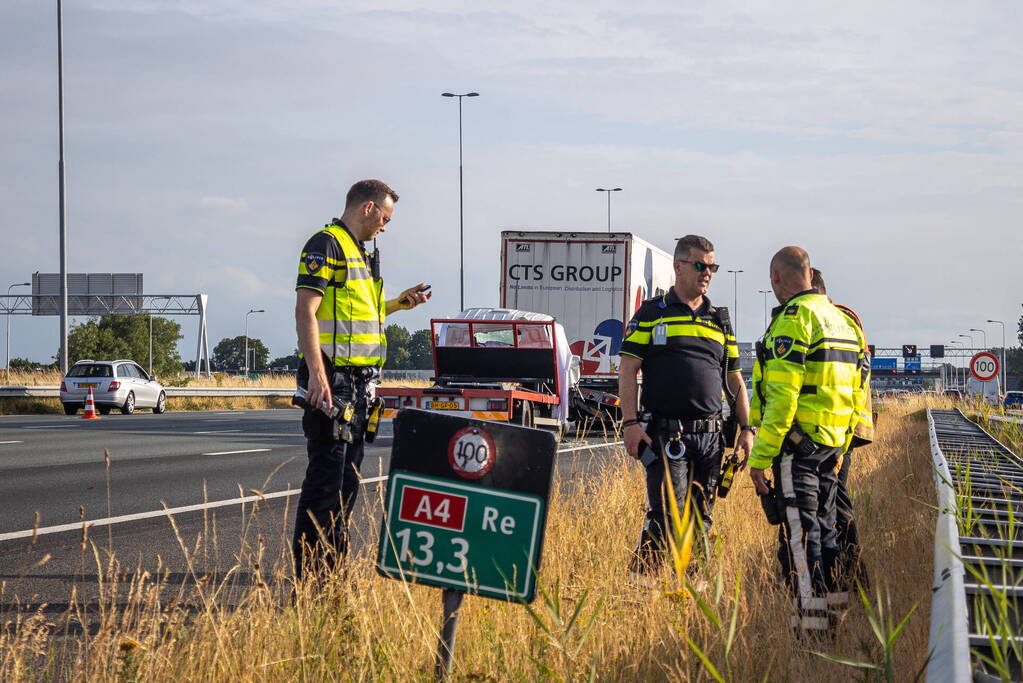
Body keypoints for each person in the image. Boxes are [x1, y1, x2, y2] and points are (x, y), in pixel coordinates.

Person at [292, 179, 431, 579]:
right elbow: (306, 311)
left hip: (358, 386)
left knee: (346, 485)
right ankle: (312, 582)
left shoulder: (360, 254)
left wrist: (399, 304)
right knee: (325, 483)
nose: (385, 227)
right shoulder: (327, 244)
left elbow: (361, 317)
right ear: (368, 208)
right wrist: (317, 374)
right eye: (385, 218)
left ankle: (333, 575)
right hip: (332, 381)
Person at [619, 234, 754, 580]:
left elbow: (735, 380)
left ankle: (697, 589)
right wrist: (630, 423)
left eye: (712, 266)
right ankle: (641, 586)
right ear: (678, 267)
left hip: (710, 439)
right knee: (666, 514)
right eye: (699, 265)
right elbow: (628, 368)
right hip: (667, 434)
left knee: (701, 518)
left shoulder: (719, 320)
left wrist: (746, 430)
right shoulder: (652, 313)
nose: (707, 272)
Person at [747, 248, 867, 636]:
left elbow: (781, 400)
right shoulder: (843, 321)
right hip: (832, 447)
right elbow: (856, 394)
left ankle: (812, 632)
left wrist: (759, 459)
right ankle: (834, 615)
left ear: (777, 278)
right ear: (811, 273)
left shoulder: (794, 321)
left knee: (801, 538)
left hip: (797, 451)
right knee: (827, 531)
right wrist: (842, 445)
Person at [810, 267, 873, 600]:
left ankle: (852, 575)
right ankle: (852, 577)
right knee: (836, 496)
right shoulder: (843, 319)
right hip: (840, 426)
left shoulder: (839, 320)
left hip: (840, 428)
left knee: (835, 499)